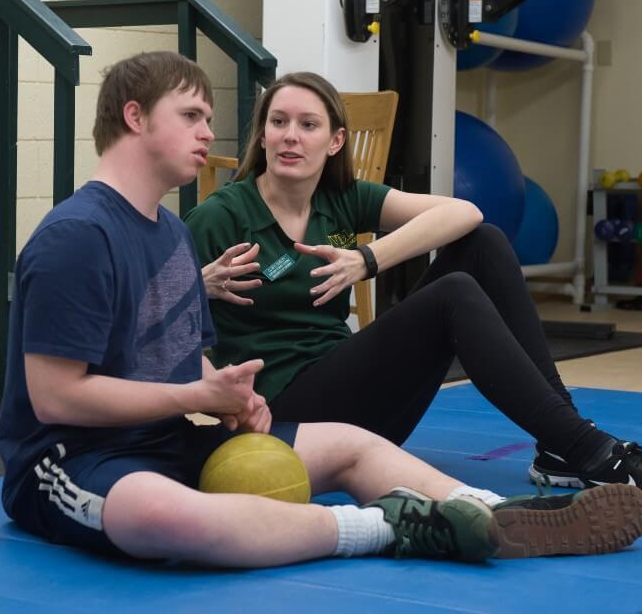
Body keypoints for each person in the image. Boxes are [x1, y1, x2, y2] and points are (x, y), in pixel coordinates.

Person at [0, 51, 641, 566]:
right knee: (161, 516)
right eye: (193, 114)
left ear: (334, 141)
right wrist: (207, 384)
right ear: (136, 118)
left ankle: (487, 511)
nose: (209, 132)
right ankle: (386, 526)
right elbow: (56, 400)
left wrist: (229, 394)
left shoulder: (164, 230)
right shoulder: (86, 233)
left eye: (307, 125)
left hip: (172, 438)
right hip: (76, 460)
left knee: (358, 447)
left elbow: (175, 352)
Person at [185, 71, 642, 490]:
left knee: (483, 243)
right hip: (286, 416)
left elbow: (465, 212)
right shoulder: (219, 217)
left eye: (308, 125)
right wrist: (195, 288)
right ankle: (583, 447)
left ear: (335, 140)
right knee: (453, 295)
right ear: (262, 135)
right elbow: (151, 321)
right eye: (278, 122)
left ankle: (563, 441)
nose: (290, 136)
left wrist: (366, 258)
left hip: (359, 400)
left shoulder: (342, 198)